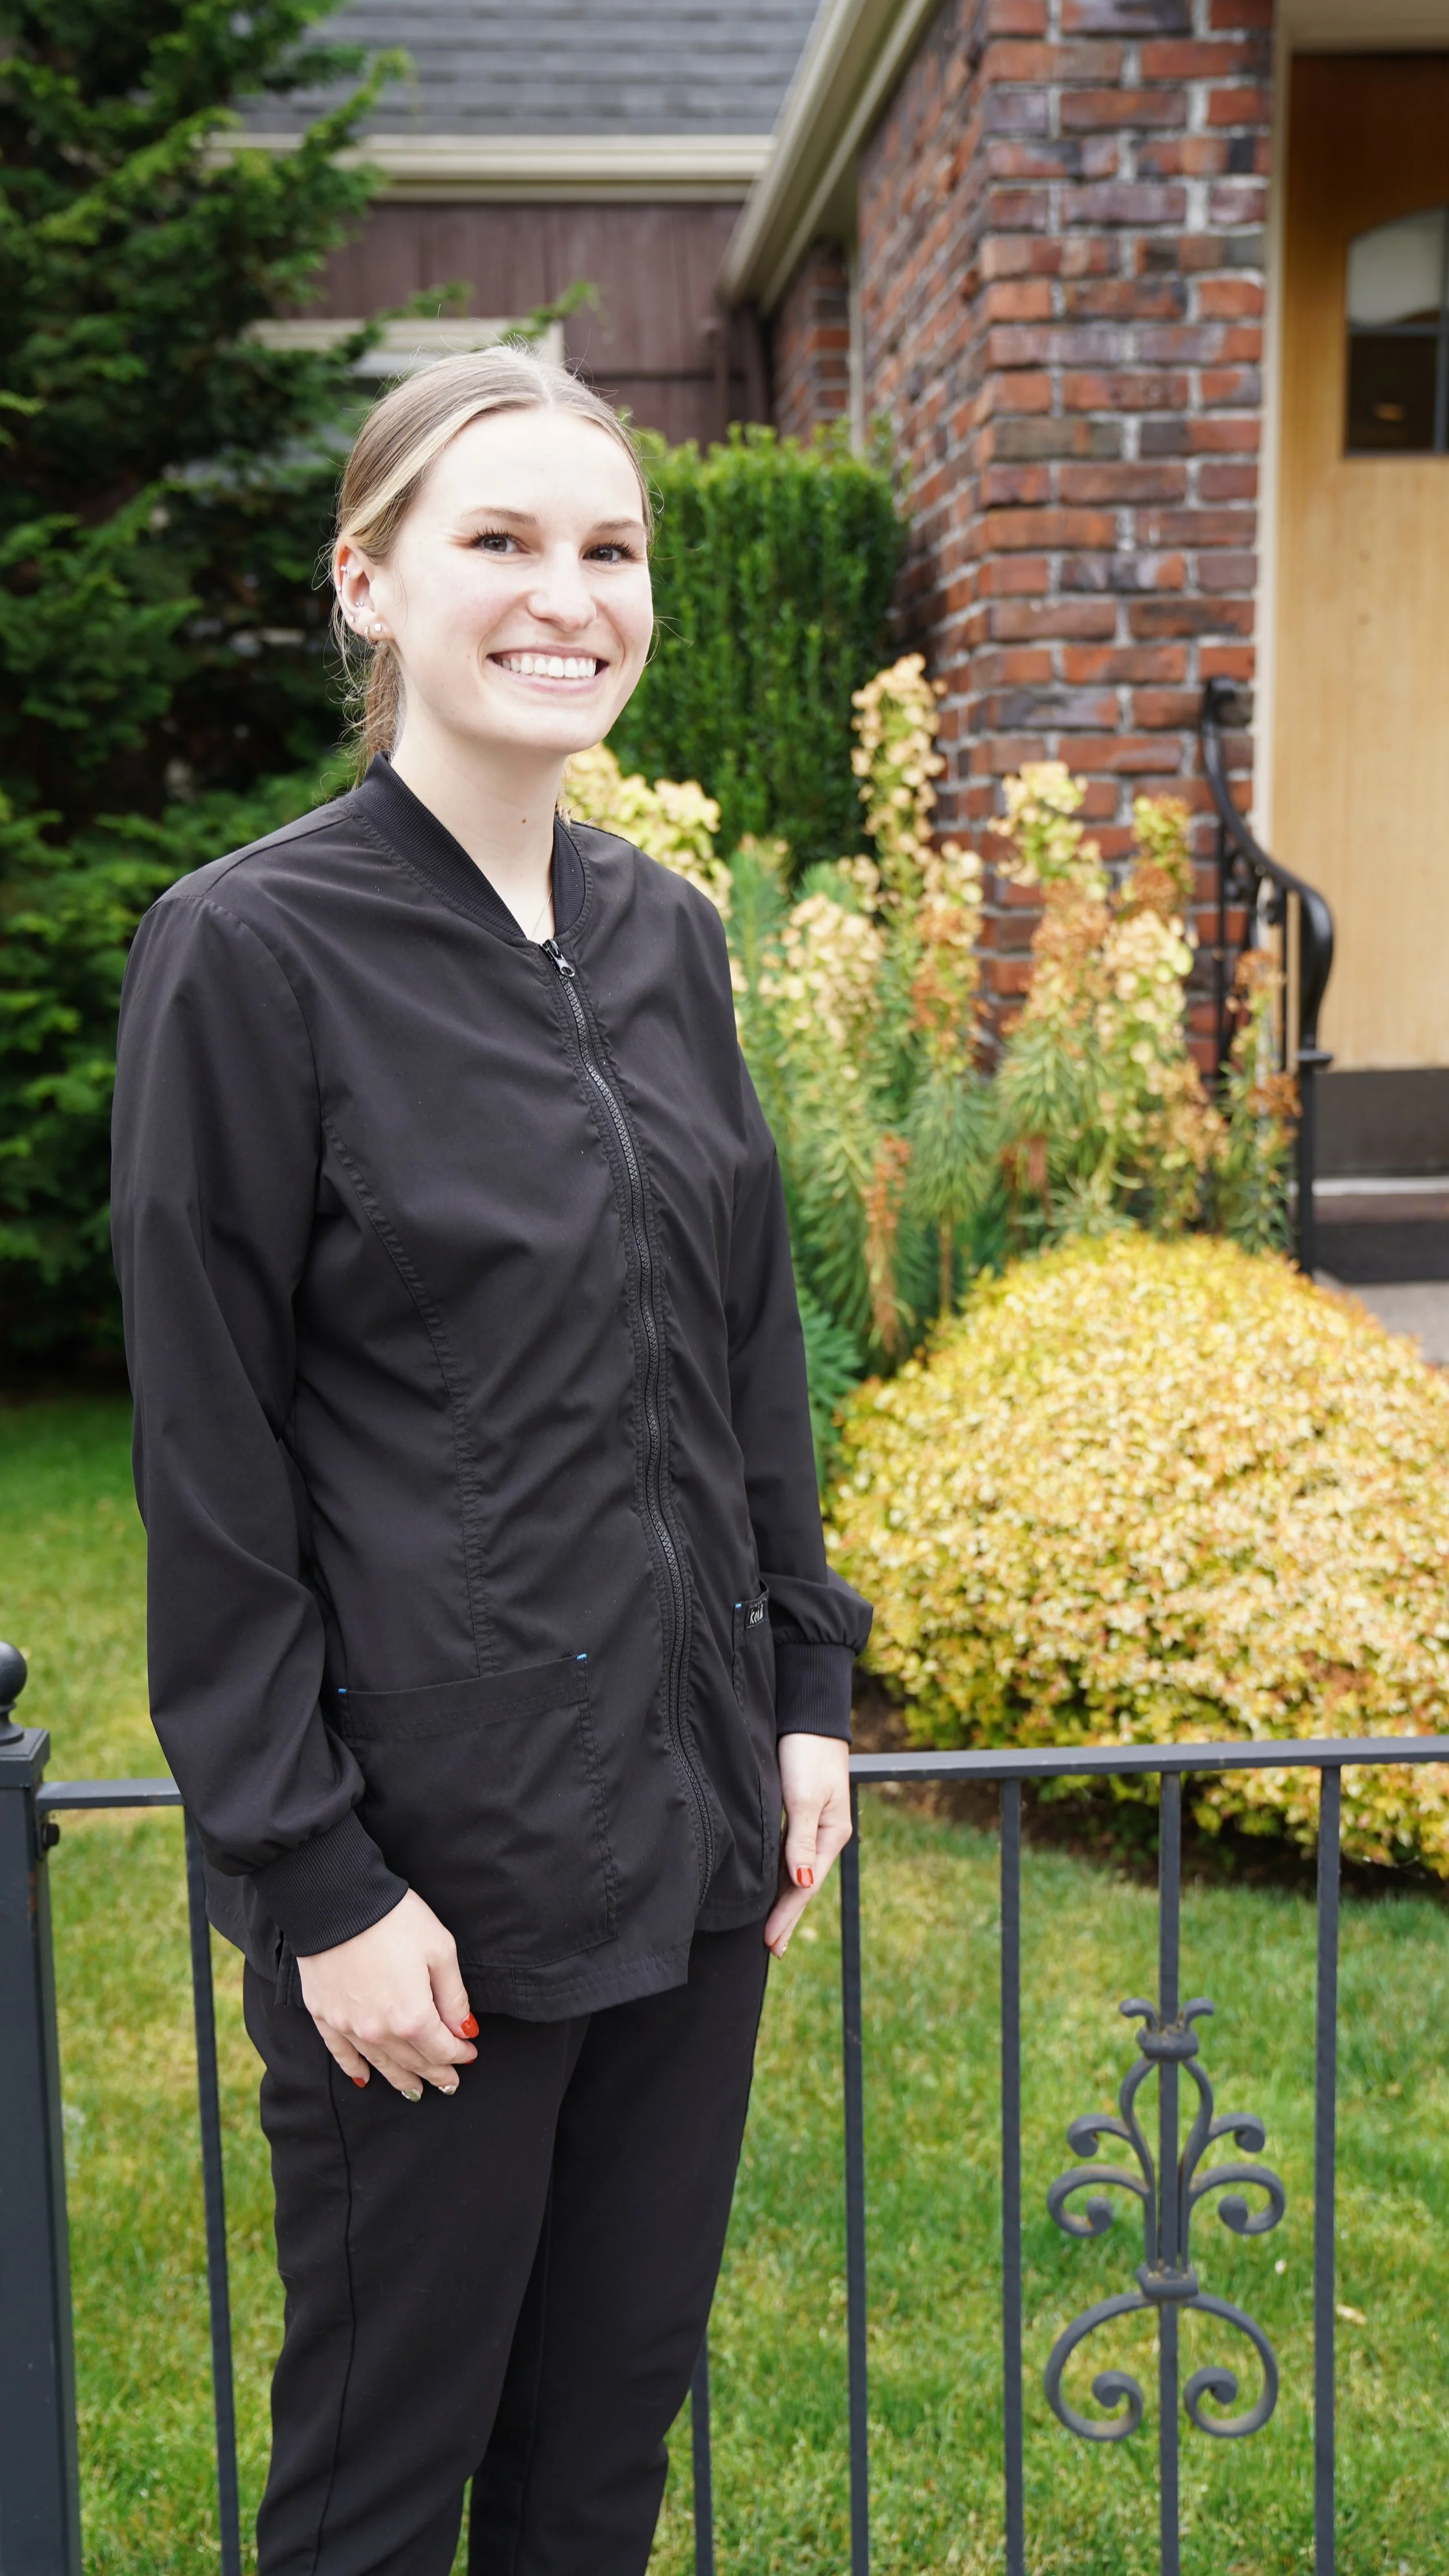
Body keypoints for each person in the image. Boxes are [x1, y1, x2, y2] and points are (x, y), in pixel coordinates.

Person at [111, 344, 872, 2576]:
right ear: (370, 582)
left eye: (609, 549)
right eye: (501, 541)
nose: (570, 596)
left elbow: (746, 1348)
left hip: (695, 1834)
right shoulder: (248, 953)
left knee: (592, 2473)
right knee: (375, 2496)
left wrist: (802, 1693)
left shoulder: (666, 937)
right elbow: (210, 1458)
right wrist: (318, 1886)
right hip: (429, 1881)